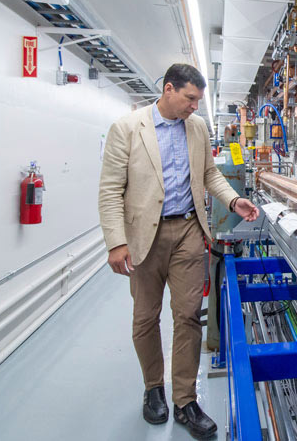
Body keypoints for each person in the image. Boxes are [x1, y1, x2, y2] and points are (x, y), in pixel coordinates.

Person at [98, 63, 259, 440]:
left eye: (198, 101)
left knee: (187, 316)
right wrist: (116, 241)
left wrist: (233, 201)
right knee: (145, 317)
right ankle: (154, 387)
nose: (194, 107)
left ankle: (186, 399)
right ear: (169, 89)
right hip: (144, 236)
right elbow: (109, 190)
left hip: (188, 228)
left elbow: (209, 175)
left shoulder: (197, 128)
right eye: (189, 99)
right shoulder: (127, 128)